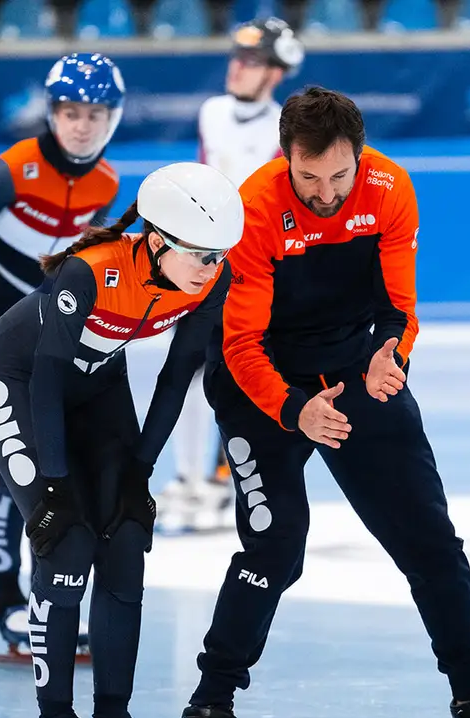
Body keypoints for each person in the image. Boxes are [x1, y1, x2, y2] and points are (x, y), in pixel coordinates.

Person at [175, 87, 470, 718]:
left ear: (359, 154)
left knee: (431, 541)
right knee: (277, 548)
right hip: (263, 383)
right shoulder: (254, 207)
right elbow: (241, 342)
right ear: (286, 159)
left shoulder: (389, 188)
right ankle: (209, 708)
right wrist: (293, 411)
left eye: (339, 176)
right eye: (309, 178)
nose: (325, 193)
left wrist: (391, 355)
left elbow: (400, 309)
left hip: (352, 369)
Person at [0, 163, 243, 718]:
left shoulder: (210, 281)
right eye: (200, 254)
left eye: (220, 254)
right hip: (20, 380)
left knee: (124, 541)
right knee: (63, 540)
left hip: (98, 386)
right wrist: (58, 487)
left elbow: (178, 379)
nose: (211, 267)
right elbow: (44, 379)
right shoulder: (90, 270)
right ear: (156, 240)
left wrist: (138, 474)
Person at [0, 53, 124, 653]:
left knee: (50, 452)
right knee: (11, 459)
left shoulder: (107, 185)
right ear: (51, 113)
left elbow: (77, 269)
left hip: (34, 333)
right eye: (69, 113)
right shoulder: (11, 170)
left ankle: (46, 594)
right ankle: (8, 601)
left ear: (112, 119)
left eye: (93, 114)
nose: (80, 125)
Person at [157, 17, 305, 535]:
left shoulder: (289, 126)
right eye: (237, 58)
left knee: (244, 372)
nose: (238, 68)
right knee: (186, 368)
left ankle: (227, 478)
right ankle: (186, 480)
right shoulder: (212, 113)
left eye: (253, 62)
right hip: (207, 262)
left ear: (276, 73)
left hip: (259, 267)